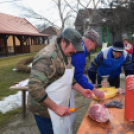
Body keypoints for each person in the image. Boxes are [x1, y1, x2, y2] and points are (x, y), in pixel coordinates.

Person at [27, 28, 96, 134]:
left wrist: (82, 90)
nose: (76, 51)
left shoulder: (67, 54)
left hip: (60, 104)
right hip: (45, 109)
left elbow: (68, 78)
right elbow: (34, 87)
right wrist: (55, 108)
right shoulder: (47, 57)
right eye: (74, 47)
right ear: (63, 41)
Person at [70, 30, 104, 125]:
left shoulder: (80, 49)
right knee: (69, 115)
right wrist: (93, 89)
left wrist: (89, 84)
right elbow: (78, 77)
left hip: (70, 83)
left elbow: (79, 74)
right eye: (94, 45)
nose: (93, 48)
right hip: (65, 87)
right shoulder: (79, 54)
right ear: (88, 41)